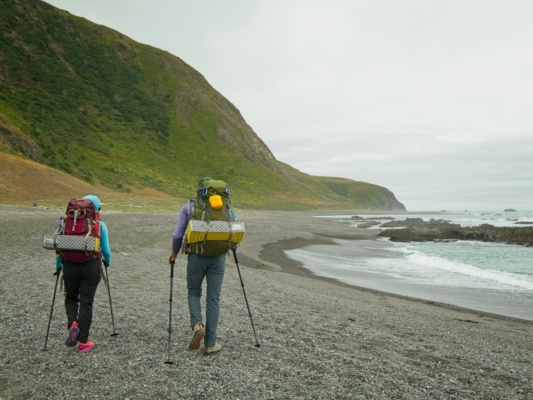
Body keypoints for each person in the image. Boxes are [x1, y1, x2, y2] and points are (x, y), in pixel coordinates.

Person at [168, 178, 230, 355]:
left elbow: (178, 234)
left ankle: (197, 325)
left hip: (196, 256)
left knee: (194, 292)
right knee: (213, 299)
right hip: (218, 258)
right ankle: (210, 343)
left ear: (200, 191)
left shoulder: (189, 208)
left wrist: (174, 254)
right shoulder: (225, 207)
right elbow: (231, 229)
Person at [55, 195, 111, 353]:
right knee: (86, 302)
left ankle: (73, 323)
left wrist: (58, 266)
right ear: (96, 209)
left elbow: (59, 247)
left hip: (70, 265)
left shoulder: (65, 222)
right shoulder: (99, 225)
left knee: (71, 297)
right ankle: (83, 342)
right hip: (91, 265)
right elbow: (106, 251)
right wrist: (107, 262)